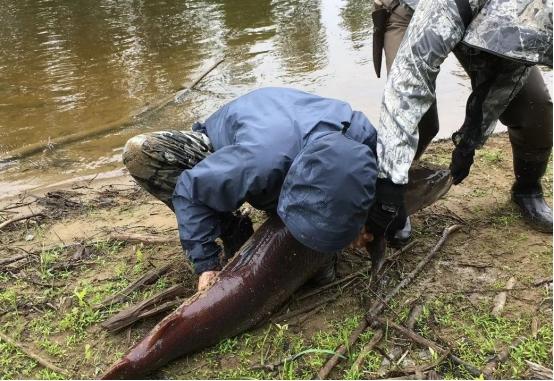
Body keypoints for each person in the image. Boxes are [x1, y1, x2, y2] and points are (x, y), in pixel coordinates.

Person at [122, 87, 378, 291]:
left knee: (319, 273)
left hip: (294, 135)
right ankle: (230, 227)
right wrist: (206, 265)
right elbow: (190, 191)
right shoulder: (256, 162)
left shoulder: (363, 136)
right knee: (140, 151)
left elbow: (382, 186)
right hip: (249, 141)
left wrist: (360, 223)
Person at [368, 0, 553, 244]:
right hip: (411, 8)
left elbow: (509, 72)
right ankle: (387, 192)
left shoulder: (532, 11)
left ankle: (527, 188)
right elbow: (407, 87)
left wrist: (470, 140)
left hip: (492, 16)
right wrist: (389, 184)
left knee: (534, 108)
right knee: (421, 119)